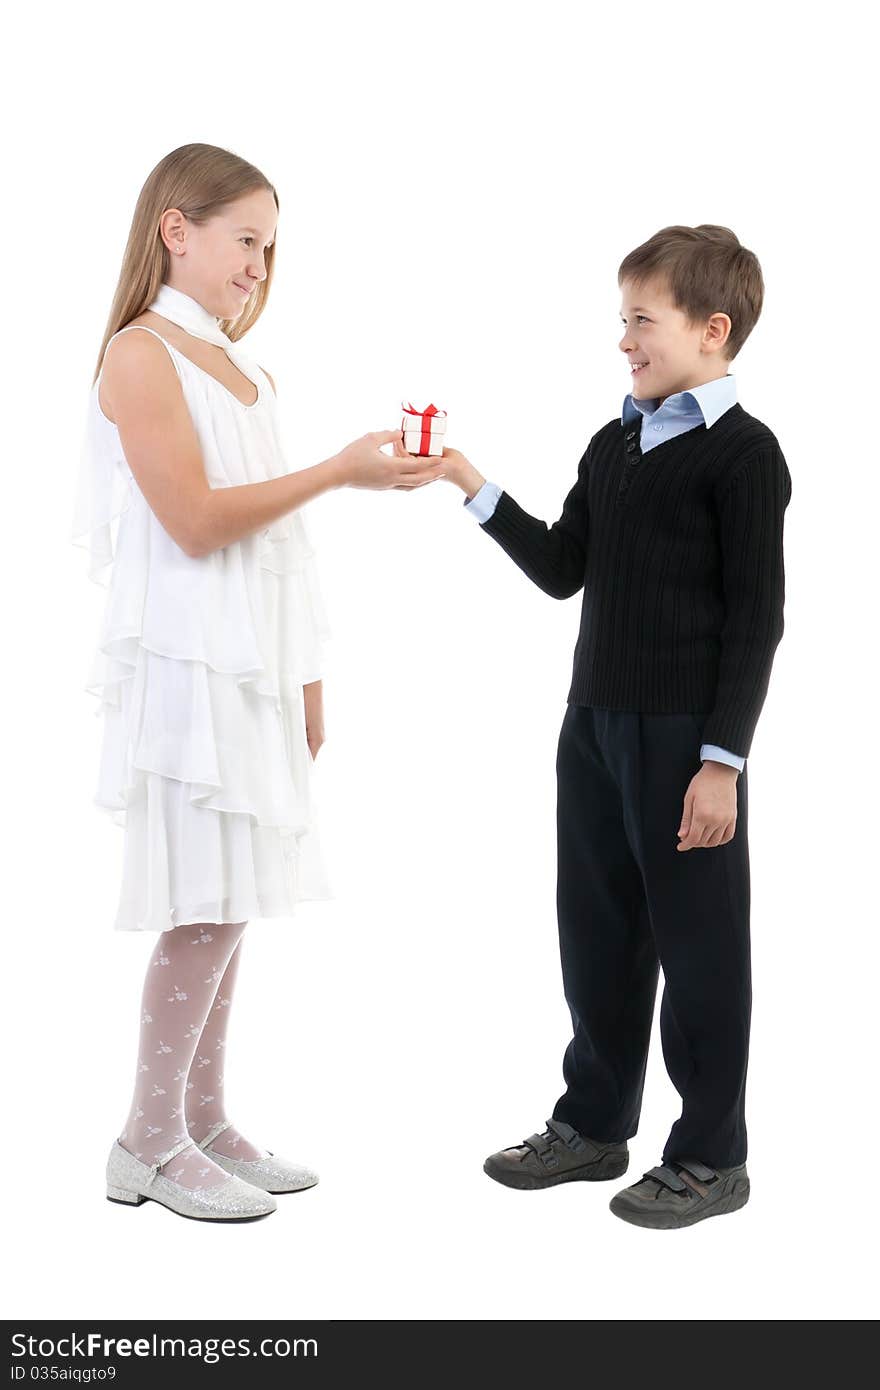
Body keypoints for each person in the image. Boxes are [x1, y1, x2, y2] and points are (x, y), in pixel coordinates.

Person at [71, 143, 444, 1222]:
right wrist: (338, 467)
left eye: (270, 247)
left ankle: (202, 1113)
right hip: (191, 664)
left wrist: (306, 675)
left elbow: (277, 547)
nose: (258, 266)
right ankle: (145, 1139)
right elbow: (192, 522)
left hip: (250, 663)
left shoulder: (244, 365)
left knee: (233, 897)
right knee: (204, 898)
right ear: (174, 230)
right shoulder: (142, 356)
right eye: (245, 239)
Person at [421, 225, 792, 1229]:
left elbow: (757, 618)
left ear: (712, 331)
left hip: (684, 742)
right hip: (589, 727)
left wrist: (721, 763)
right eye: (620, 318)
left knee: (700, 947)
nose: (623, 339)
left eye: (641, 319)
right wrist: (466, 480)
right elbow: (558, 568)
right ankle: (592, 1125)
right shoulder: (613, 439)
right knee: (597, 937)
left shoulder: (745, 455)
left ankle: (712, 1155)